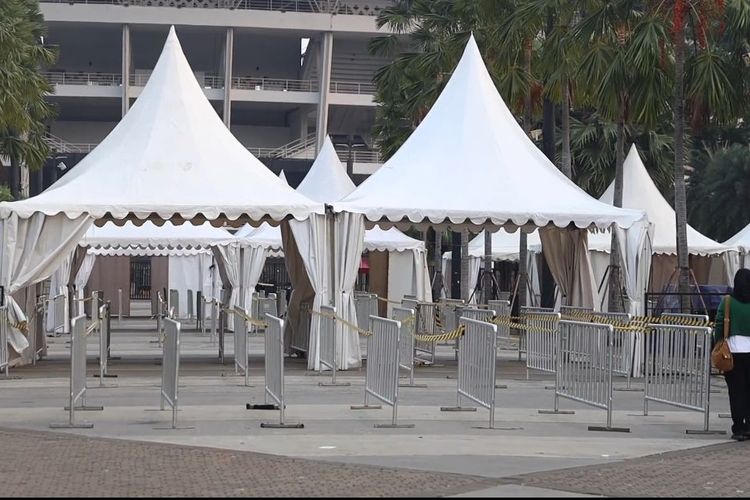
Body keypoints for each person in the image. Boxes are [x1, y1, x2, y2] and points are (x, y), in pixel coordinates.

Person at [714, 268, 750, 441]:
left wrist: (717, 342)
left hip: (733, 353)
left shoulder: (728, 301)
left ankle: (738, 428)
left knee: (736, 391)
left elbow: (719, 324)